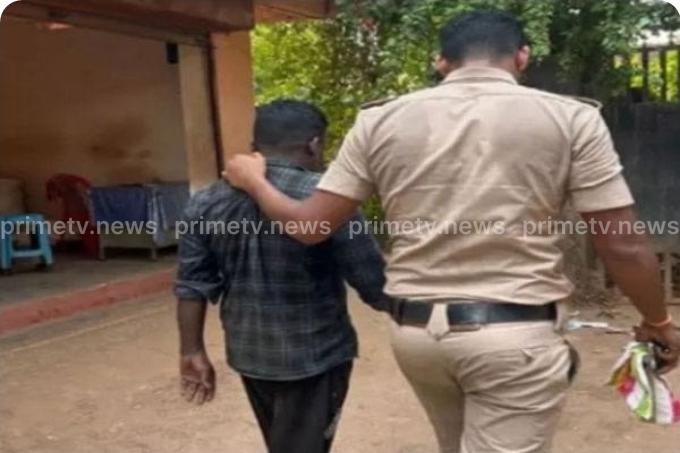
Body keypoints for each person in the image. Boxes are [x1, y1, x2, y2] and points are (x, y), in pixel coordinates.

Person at [223, 10, 680, 453]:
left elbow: (310, 226)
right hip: (515, 338)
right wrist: (658, 322)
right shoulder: (571, 118)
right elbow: (621, 244)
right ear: (522, 57)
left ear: (441, 62)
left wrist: (255, 181)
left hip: (418, 339)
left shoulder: (379, 121)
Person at [175, 100, 389, 453]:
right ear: (314, 144)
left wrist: (191, 349)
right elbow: (372, 282)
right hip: (315, 356)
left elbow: (191, 283)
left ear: (254, 146)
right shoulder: (326, 200)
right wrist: (420, 311)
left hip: (250, 354)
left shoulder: (206, 202)